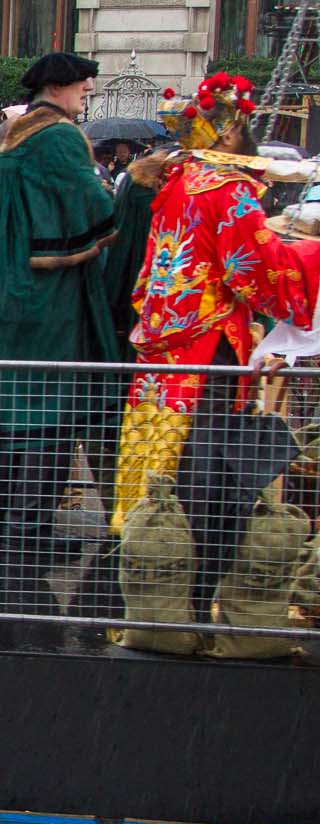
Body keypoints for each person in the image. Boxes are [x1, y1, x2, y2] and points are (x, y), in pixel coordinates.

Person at [115, 73, 320, 620]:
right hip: (207, 348)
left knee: (162, 470)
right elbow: (255, 269)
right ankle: (188, 600)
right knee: (201, 480)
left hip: (163, 345)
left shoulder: (178, 182)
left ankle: (142, 590)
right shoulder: (227, 191)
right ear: (228, 133)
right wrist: (309, 257)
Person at [0, 51, 120, 623]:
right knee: (44, 418)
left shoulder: (5, 135)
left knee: (25, 418)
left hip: (4, 296)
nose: (89, 92)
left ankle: (6, 528)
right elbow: (98, 209)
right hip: (42, 305)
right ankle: (22, 539)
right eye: (83, 84)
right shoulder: (57, 136)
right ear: (59, 87)